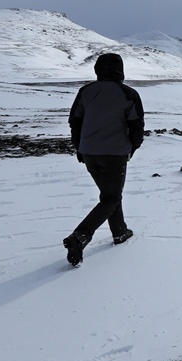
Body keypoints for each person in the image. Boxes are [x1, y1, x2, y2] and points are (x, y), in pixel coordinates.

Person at [63, 53, 145, 266]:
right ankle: (81, 236)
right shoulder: (128, 93)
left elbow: (75, 121)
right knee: (111, 197)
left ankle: (119, 232)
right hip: (115, 154)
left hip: (89, 152)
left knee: (110, 195)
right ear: (120, 70)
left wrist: (79, 147)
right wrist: (133, 147)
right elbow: (137, 126)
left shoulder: (86, 91)